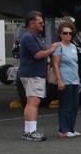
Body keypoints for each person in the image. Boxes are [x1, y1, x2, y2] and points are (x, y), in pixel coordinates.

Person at [18, 12, 58, 142]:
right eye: (40, 23)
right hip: (32, 74)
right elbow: (38, 55)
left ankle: (29, 130)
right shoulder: (29, 37)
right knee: (33, 102)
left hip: (34, 73)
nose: (42, 25)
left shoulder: (34, 37)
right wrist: (51, 49)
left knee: (32, 101)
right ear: (31, 24)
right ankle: (30, 131)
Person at [51, 20, 81, 138]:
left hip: (74, 79)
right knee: (66, 105)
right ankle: (63, 129)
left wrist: (78, 79)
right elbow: (55, 65)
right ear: (60, 34)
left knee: (74, 105)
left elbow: (75, 64)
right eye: (65, 33)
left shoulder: (73, 47)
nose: (67, 35)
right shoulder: (59, 47)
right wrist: (59, 80)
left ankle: (71, 128)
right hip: (65, 79)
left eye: (69, 33)